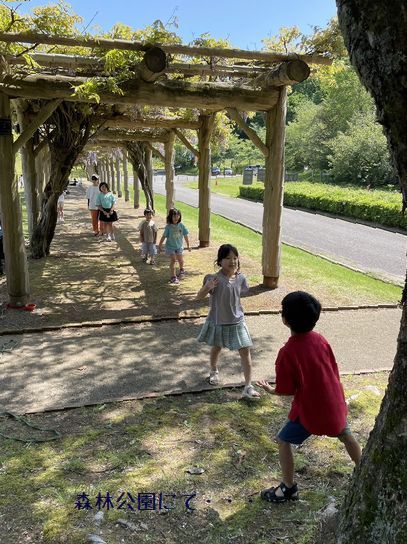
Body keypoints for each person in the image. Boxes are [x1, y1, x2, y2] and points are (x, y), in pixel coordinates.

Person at [256, 291, 362, 503]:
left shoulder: (288, 352)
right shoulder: (320, 339)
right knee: (345, 434)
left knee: (283, 440)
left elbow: (286, 389)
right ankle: (365, 470)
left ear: (284, 320)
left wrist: (270, 390)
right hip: (333, 403)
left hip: (311, 411)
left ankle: (288, 488)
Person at [196, 243, 261, 400]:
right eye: (227, 258)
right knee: (216, 348)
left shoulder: (241, 278)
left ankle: (248, 386)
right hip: (219, 321)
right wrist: (207, 287)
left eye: (235, 258)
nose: (232, 261)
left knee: (245, 351)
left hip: (237, 321)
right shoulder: (213, 279)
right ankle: (213, 371)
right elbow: (199, 297)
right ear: (219, 261)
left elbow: (241, 293)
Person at [158, 208, 190, 284]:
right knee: (173, 260)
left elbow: (185, 235)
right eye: (174, 216)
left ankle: (182, 270)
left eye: (178, 216)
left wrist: (188, 245)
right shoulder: (168, 227)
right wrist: (159, 245)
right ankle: (173, 277)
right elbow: (164, 236)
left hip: (179, 246)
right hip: (170, 247)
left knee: (180, 260)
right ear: (170, 217)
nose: (176, 218)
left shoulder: (181, 225)